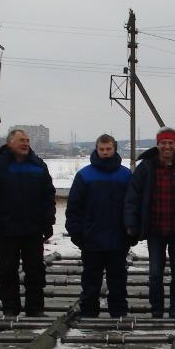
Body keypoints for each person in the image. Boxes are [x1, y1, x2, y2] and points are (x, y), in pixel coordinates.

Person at [124, 127, 175, 319]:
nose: (167, 146)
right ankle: (157, 309)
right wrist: (131, 223)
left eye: (170, 143)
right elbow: (133, 197)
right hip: (155, 229)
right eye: (163, 143)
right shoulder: (146, 167)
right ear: (158, 144)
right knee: (155, 273)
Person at [0, 128, 56, 317]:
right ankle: (10, 309)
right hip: (5, 229)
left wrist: (48, 220)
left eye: (27, 140)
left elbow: (48, 194)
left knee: (35, 270)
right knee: (7, 271)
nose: (26, 143)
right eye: (21, 140)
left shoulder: (38, 165)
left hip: (33, 229)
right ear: (10, 142)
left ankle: (35, 309)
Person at [66, 134, 133, 317]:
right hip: (91, 238)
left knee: (118, 279)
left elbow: (133, 205)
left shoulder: (126, 175)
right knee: (90, 280)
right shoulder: (84, 175)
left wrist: (132, 231)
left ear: (114, 149)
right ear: (96, 149)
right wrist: (76, 233)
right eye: (101, 149)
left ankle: (118, 313)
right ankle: (88, 313)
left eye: (108, 149)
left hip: (118, 238)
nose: (105, 152)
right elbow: (74, 207)